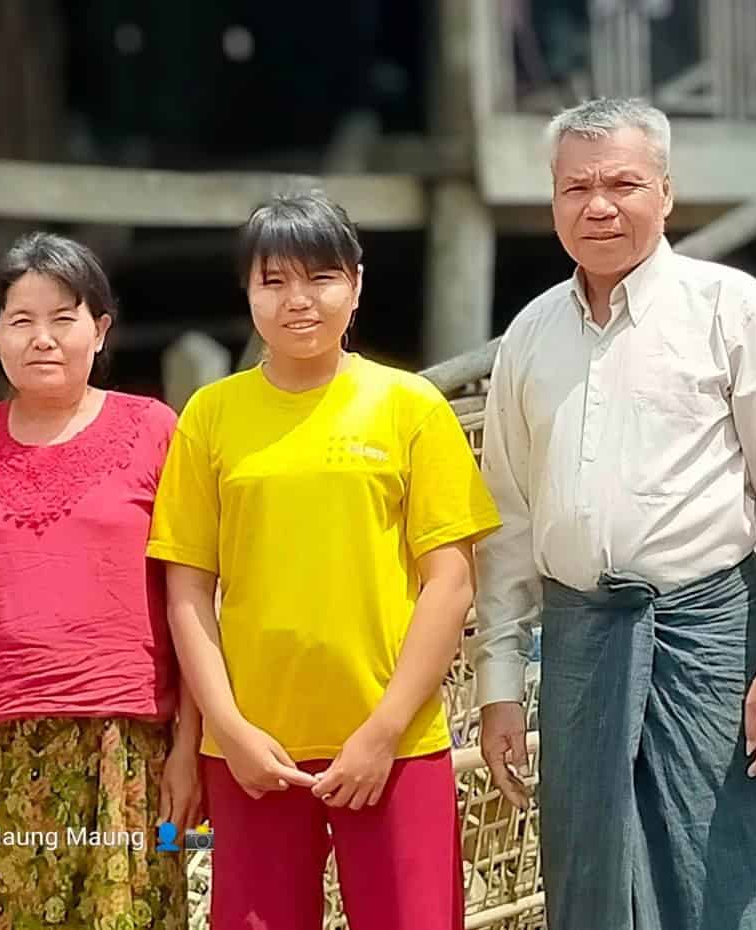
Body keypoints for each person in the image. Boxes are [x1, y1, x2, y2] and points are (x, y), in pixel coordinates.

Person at [470, 97, 756, 930]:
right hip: (579, 650)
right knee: (597, 892)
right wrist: (498, 684)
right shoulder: (528, 336)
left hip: (714, 645)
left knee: (742, 889)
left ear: (666, 193)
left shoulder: (729, 307)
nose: (599, 205)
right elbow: (506, 527)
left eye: (623, 183)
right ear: (553, 200)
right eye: (576, 188)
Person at [148, 192, 501, 930]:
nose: (297, 301)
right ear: (247, 292)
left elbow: (451, 583)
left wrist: (383, 730)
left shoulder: (410, 408)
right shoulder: (211, 416)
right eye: (273, 281)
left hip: (396, 746)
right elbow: (187, 591)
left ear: (358, 284)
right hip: (253, 754)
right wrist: (228, 729)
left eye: (321, 278)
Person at [0, 232, 198, 930]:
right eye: (21, 321)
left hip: (132, 741)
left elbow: (195, 594)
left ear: (99, 329)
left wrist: (190, 750)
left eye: (63, 318)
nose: (43, 339)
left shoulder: (154, 428)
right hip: (7, 744)